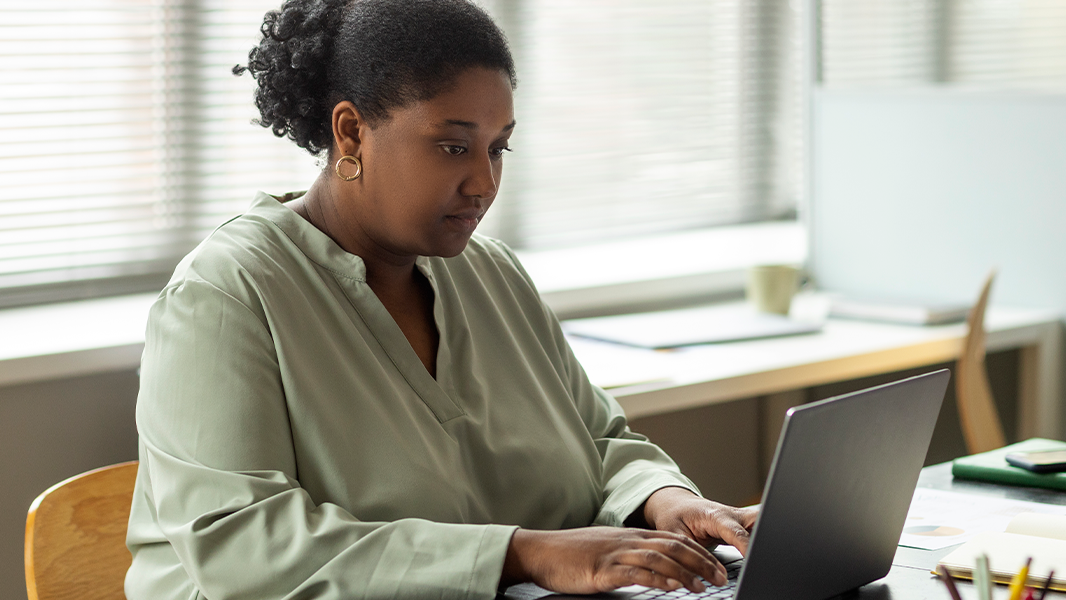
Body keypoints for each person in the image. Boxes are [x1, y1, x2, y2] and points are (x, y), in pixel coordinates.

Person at [125, 1, 758, 598]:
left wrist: (667, 501)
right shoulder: (226, 296)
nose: (484, 182)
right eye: (454, 147)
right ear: (351, 132)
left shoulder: (492, 274)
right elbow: (241, 547)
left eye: (498, 148)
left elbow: (598, 441)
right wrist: (526, 554)